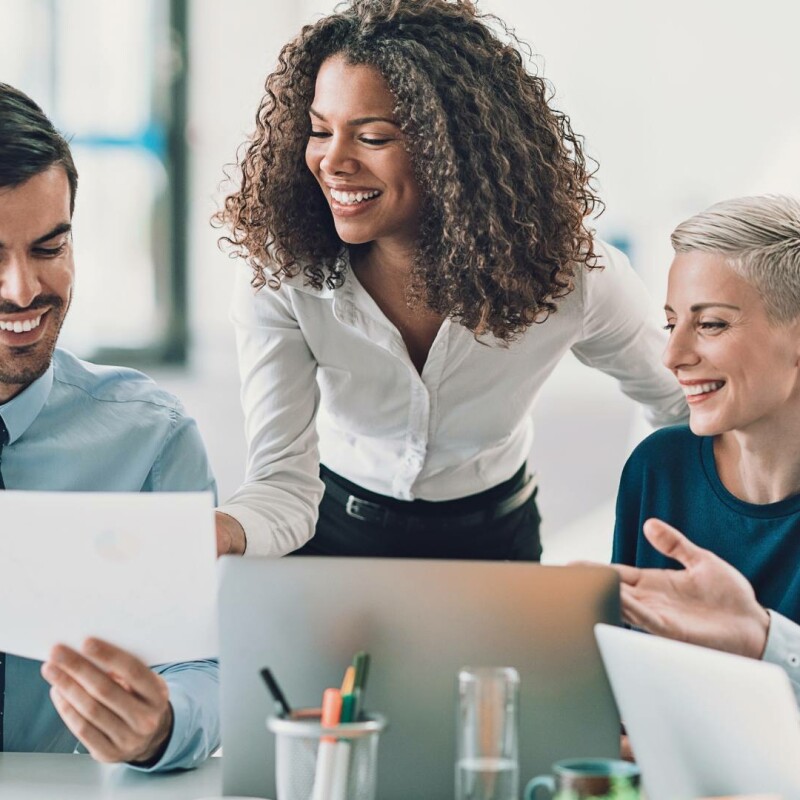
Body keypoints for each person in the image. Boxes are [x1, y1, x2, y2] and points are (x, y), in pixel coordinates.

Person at [213, 0, 687, 560]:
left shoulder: (570, 276)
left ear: (451, 149)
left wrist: (648, 526)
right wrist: (220, 533)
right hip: (331, 526)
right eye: (320, 130)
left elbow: (679, 404)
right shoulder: (284, 273)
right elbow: (281, 487)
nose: (331, 161)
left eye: (372, 137)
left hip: (493, 538)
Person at [0, 83, 219, 768]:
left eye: (48, 247)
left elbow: (208, 670)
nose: (21, 289)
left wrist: (162, 726)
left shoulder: (151, 441)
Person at [611, 194, 800, 704]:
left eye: (711, 324)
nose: (672, 356)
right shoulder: (659, 468)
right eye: (671, 323)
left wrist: (764, 642)